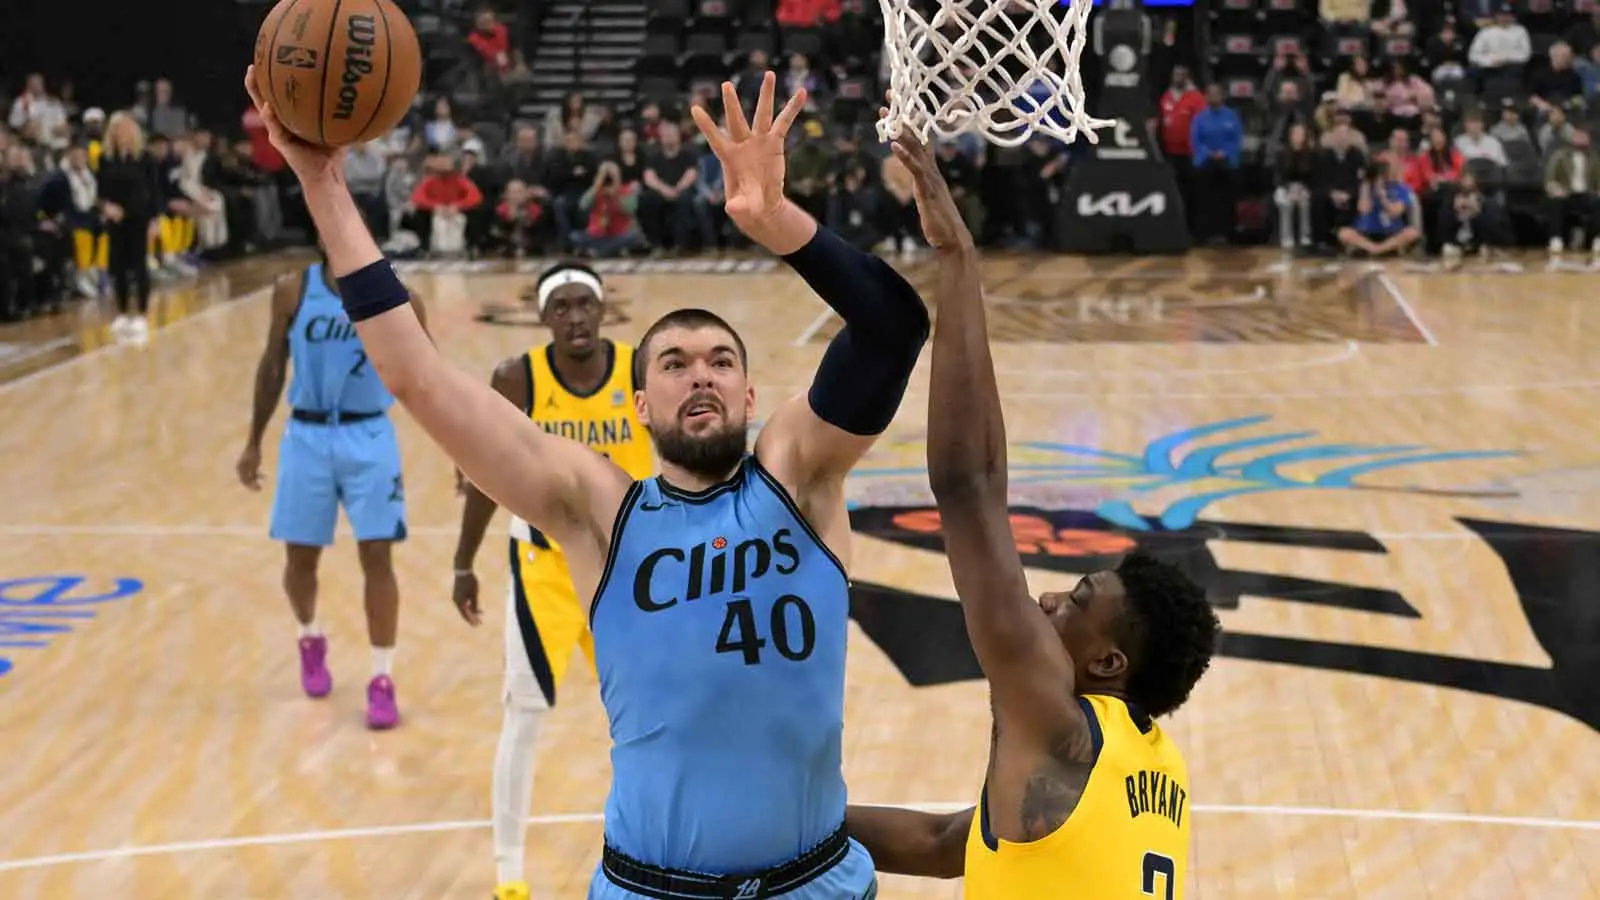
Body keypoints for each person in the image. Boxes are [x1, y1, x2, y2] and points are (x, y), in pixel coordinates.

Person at [245, 65, 929, 900]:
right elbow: (417, 376)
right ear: (640, 405)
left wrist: (779, 223)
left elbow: (895, 329)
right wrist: (321, 183)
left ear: (752, 397)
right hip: (650, 887)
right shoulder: (599, 509)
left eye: (721, 361)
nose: (700, 374)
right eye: (673, 364)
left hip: (812, 883)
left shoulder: (800, 476)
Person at [842, 133, 1220, 898]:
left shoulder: (1060, 729)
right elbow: (949, 844)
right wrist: (780, 824)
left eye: (1077, 601)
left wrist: (958, 258)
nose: (1047, 598)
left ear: (1107, 664)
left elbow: (969, 485)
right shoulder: (1154, 767)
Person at [448, 262, 655, 900]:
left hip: (627, 571)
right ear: (543, 317)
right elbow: (487, 476)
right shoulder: (519, 378)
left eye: (584, 304)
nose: (575, 317)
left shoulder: (639, 369)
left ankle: (658, 850)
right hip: (546, 569)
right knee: (525, 716)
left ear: (603, 310)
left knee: (652, 717)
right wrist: (463, 561)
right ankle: (509, 873)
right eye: (560, 307)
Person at [234, 236, 427, 730]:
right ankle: (309, 636)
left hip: (370, 434)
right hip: (308, 433)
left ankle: (382, 678)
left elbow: (428, 380)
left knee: (378, 554)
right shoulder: (293, 290)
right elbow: (272, 365)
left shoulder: (399, 296)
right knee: (300, 559)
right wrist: (254, 440)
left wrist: (457, 449)